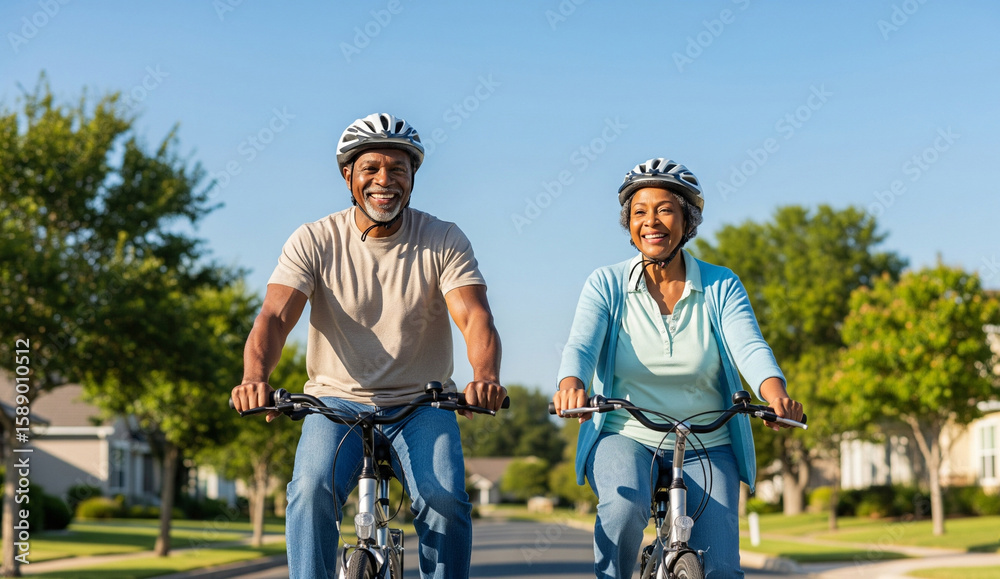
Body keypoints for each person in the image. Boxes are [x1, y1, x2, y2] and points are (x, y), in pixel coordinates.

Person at [231, 113, 505, 579]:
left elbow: (474, 315)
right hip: (333, 402)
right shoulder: (315, 239)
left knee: (443, 498)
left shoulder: (443, 239)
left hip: (421, 403)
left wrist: (485, 378)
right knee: (309, 492)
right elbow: (275, 317)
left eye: (398, 169)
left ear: (413, 177)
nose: (385, 180)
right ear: (348, 176)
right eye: (371, 168)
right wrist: (255, 378)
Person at [551, 158, 804, 579]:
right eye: (639, 212)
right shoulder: (606, 283)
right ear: (629, 223)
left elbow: (749, 346)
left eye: (665, 209)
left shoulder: (721, 284)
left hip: (707, 440)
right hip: (626, 435)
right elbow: (581, 344)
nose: (651, 221)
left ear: (687, 221)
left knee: (721, 570)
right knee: (623, 507)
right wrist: (571, 385)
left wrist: (775, 395)